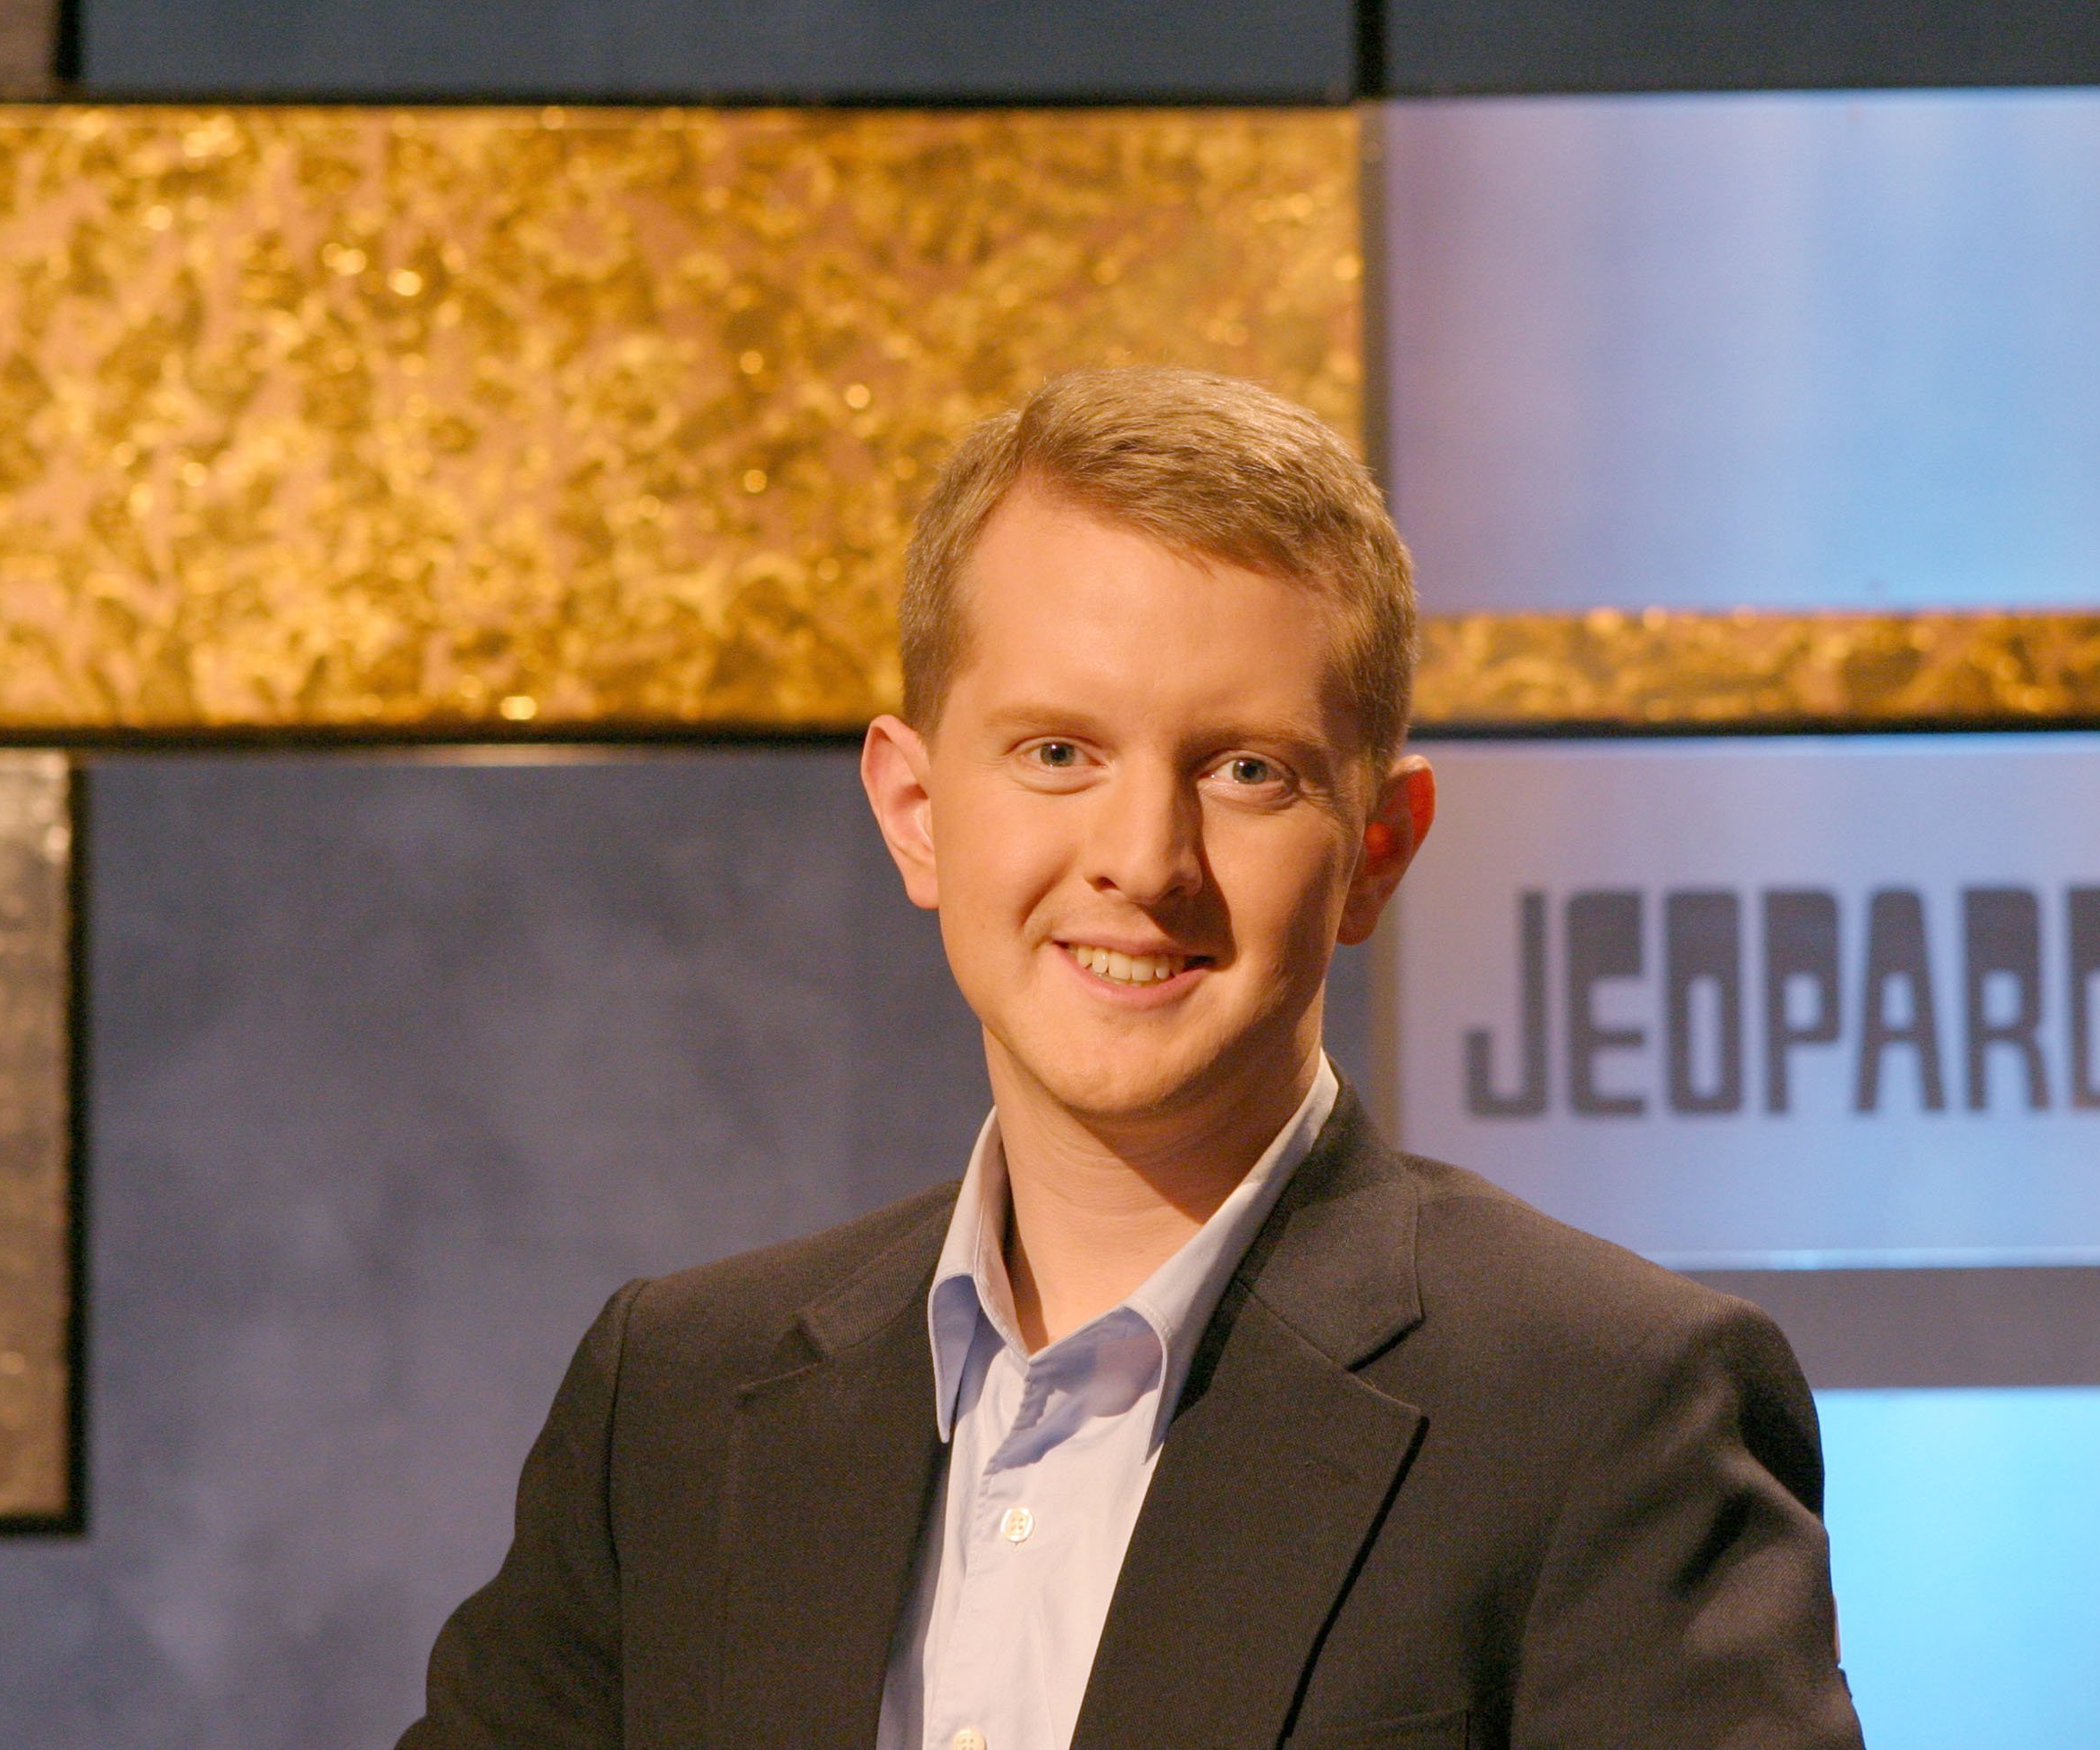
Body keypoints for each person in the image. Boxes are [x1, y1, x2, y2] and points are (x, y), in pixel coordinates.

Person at [399, 368, 1863, 1750]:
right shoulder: (668, 1403)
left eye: (1246, 771)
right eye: (1057, 754)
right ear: (915, 808)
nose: (1144, 861)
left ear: (1376, 852)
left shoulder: (1606, 1401)